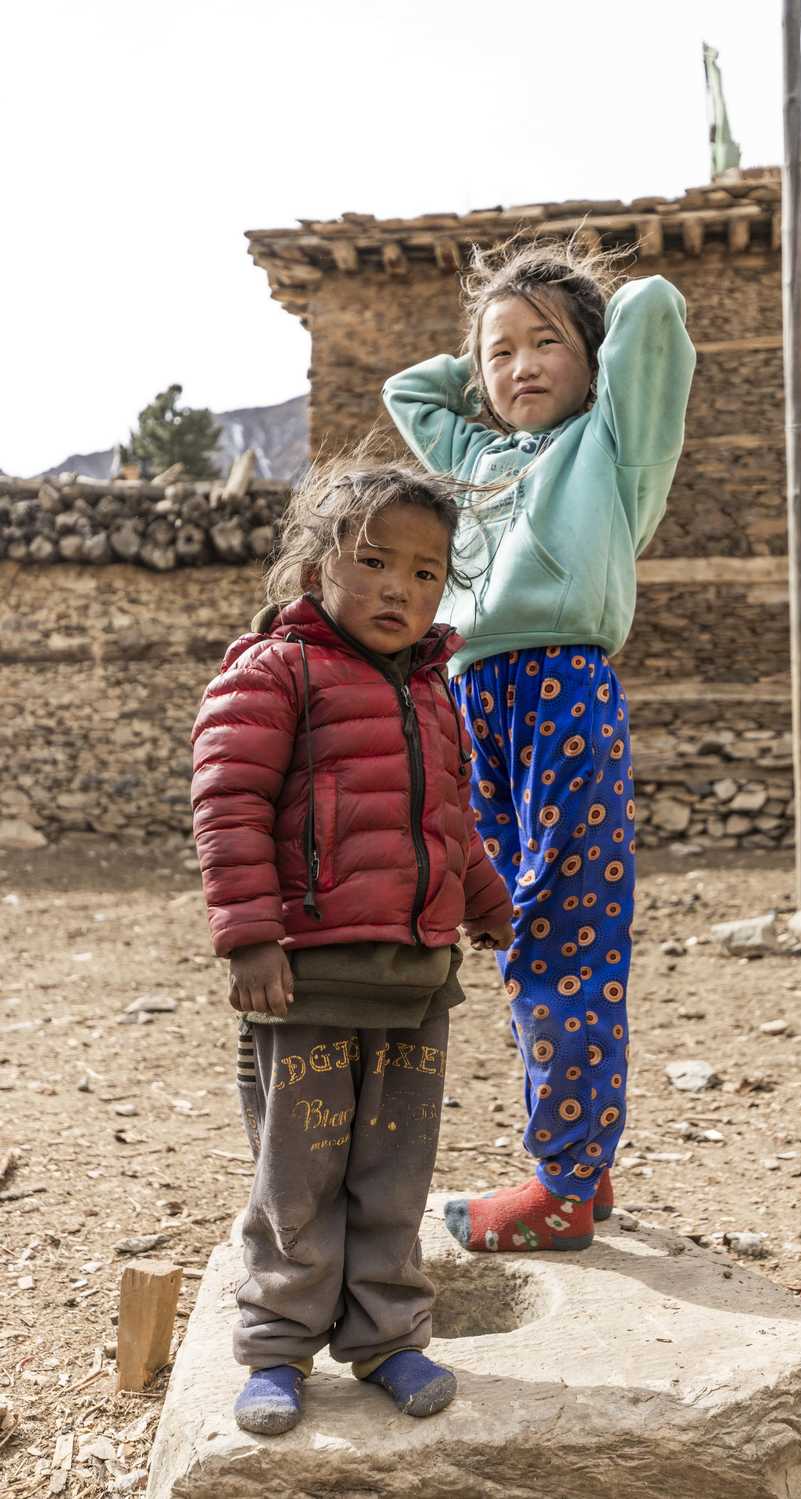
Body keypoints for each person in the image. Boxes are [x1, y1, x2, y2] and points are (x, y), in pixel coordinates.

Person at [383, 237, 695, 1254]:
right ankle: (582, 1166)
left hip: (563, 691)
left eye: (545, 343)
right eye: (498, 352)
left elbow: (650, 311)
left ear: (594, 361)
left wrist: (580, 324)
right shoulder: (475, 461)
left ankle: (560, 1180)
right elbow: (410, 392)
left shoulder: (612, 442)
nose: (519, 366)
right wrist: (485, 348)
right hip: (472, 702)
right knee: (515, 933)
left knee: (566, 930)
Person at [190, 458, 514, 1435]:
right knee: (301, 1173)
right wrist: (249, 935)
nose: (400, 587)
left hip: (417, 981)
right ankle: (278, 1348)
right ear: (314, 563)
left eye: (425, 571)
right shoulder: (275, 668)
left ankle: (386, 1337)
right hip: (311, 979)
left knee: (393, 1169)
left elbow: (447, 821)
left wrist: (488, 905)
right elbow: (229, 801)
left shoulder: (432, 690)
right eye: (373, 559)